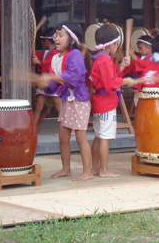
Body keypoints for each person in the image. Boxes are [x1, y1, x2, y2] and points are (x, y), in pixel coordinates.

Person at [37, 21, 93, 181]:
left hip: (79, 100)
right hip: (66, 99)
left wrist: (52, 77)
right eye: (56, 35)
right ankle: (66, 168)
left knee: (81, 137)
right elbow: (56, 85)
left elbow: (74, 77)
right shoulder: (55, 57)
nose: (57, 38)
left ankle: (87, 172)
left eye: (61, 35)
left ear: (72, 39)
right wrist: (47, 84)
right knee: (63, 136)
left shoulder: (75, 55)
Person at [88, 25, 135, 178]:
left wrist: (121, 66)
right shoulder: (105, 61)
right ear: (110, 45)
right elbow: (110, 84)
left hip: (99, 101)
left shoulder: (100, 59)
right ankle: (104, 169)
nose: (116, 47)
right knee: (105, 137)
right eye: (116, 44)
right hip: (106, 102)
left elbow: (108, 76)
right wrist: (125, 81)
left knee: (99, 135)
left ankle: (95, 167)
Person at [31, 27, 61, 131]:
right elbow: (34, 58)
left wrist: (39, 63)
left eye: (43, 42)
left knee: (57, 108)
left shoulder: (57, 52)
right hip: (43, 84)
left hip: (54, 84)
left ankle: (64, 131)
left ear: (46, 41)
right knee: (39, 107)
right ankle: (34, 129)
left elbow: (51, 64)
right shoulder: (44, 53)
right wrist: (34, 57)